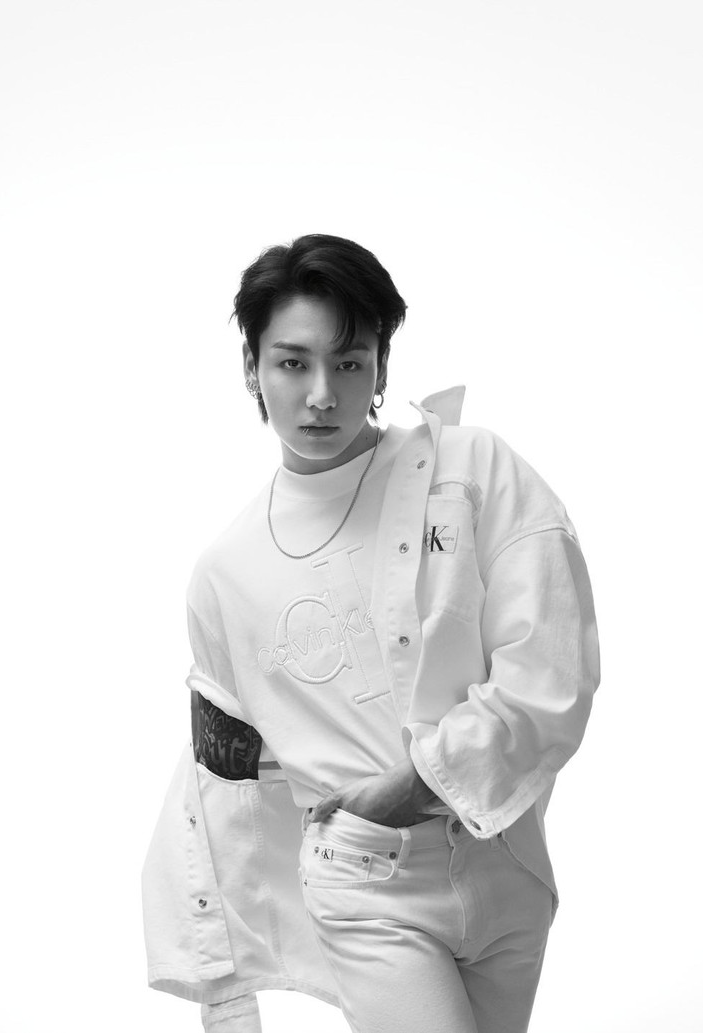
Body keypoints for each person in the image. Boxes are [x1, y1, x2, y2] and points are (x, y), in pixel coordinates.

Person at [142, 234, 600, 1033]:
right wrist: (223, 991)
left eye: (349, 363)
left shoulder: (472, 473)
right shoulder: (225, 571)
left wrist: (422, 778)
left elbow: (551, 670)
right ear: (251, 365)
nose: (321, 394)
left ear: (382, 367)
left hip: (508, 860)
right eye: (293, 363)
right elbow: (222, 775)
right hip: (364, 872)